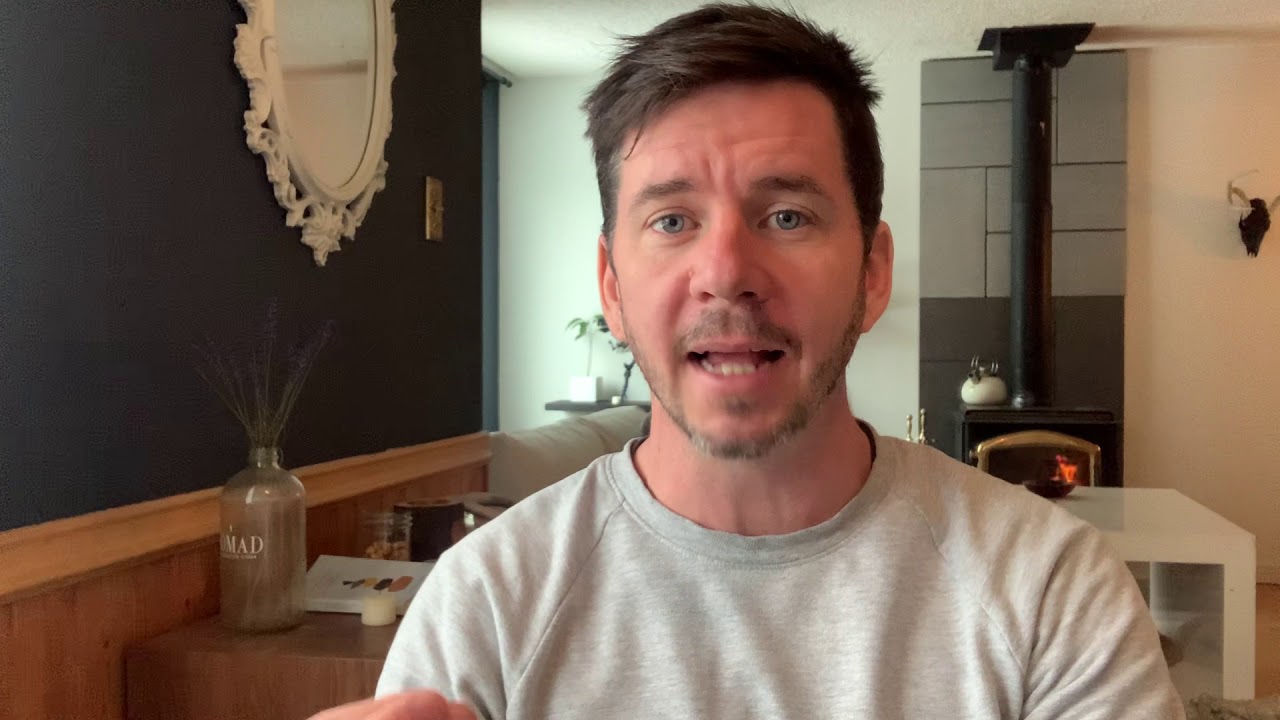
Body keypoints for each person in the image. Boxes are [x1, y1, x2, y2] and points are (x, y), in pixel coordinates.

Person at [312, 4, 1184, 718]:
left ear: (873, 273)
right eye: (672, 221)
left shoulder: (1049, 588)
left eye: (787, 216)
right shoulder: (489, 603)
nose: (726, 272)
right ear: (611, 285)